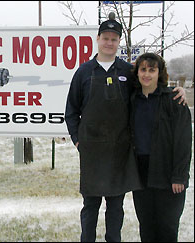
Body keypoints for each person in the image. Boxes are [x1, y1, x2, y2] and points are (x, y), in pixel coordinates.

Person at [64, 13, 187, 242]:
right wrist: (77, 139)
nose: (110, 43)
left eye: (114, 39)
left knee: (115, 207)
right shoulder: (83, 72)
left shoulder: (127, 71)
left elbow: (148, 88)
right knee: (90, 206)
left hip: (120, 152)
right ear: (98, 39)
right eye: (106, 38)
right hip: (91, 152)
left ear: (119, 41)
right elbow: (71, 111)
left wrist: (175, 91)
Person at [130, 53, 192, 242]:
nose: (147, 74)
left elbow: (183, 141)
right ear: (137, 73)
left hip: (167, 174)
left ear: (159, 73)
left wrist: (179, 176)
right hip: (141, 174)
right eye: (143, 69)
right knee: (147, 227)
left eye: (152, 70)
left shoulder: (174, 100)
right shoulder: (132, 100)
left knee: (167, 227)